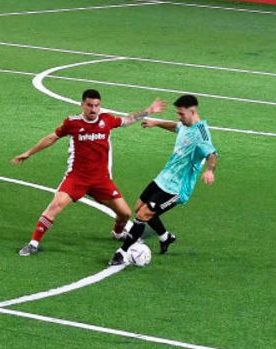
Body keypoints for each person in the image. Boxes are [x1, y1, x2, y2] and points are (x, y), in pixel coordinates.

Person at [12, 91, 167, 256]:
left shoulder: (107, 120)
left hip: (101, 180)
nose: (93, 109)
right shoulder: (72, 123)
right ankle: (33, 243)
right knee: (55, 206)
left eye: (97, 105)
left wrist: (148, 111)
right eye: (90, 105)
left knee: (125, 213)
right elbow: (52, 137)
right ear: (82, 105)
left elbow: (127, 119)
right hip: (76, 178)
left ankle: (118, 233)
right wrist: (29, 153)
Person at [110, 94, 218, 266]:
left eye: (181, 114)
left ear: (193, 111)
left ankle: (121, 253)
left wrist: (210, 170)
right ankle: (165, 237)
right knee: (139, 207)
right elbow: (176, 127)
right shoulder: (185, 124)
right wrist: (156, 123)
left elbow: (212, 154)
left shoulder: (201, 134)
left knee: (143, 214)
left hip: (176, 188)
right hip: (164, 178)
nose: (178, 117)